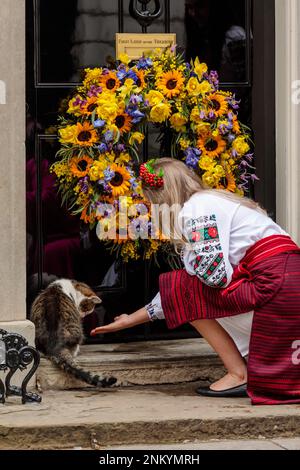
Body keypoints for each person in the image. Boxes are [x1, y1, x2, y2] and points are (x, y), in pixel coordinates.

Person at [91, 158, 300, 405]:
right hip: (288, 284)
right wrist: (132, 320)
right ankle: (242, 370)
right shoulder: (217, 199)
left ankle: (238, 373)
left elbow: (213, 277)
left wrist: (190, 262)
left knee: (182, 287)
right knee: (183, 286)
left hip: (274, 287)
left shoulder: (195, 210)